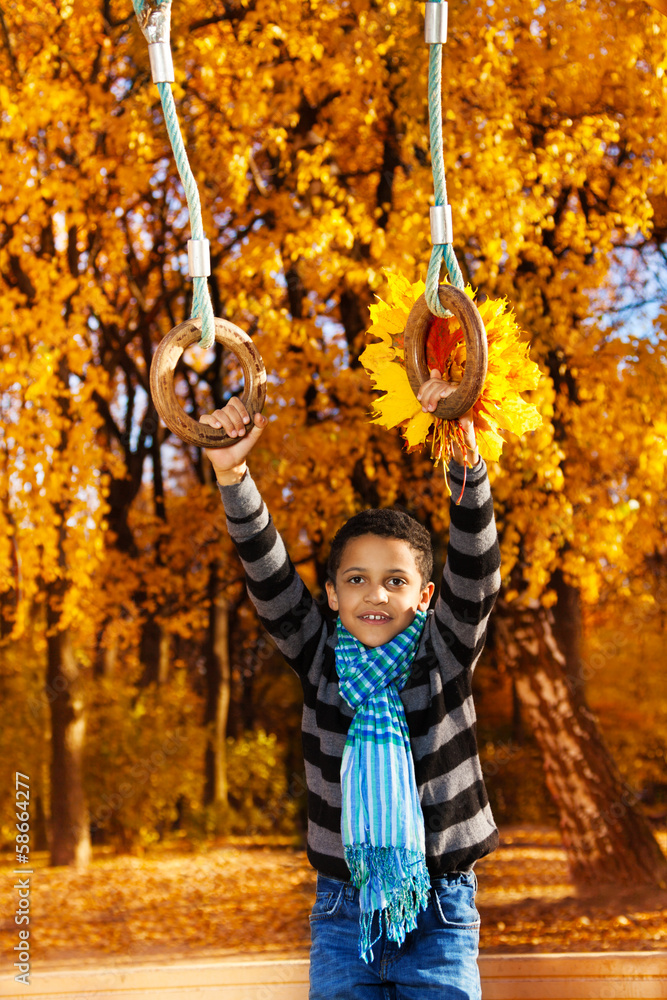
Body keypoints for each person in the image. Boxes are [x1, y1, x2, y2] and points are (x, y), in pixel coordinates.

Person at [201, 368, 501, 1000]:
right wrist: (233, 475)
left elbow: (474, 570)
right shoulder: (319, 662)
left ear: (423, 596)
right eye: (357, 580)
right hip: (341, 914)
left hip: (441, 912)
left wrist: (467, 462)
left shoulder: (443, 656)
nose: (375, 594)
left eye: (395, 581)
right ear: (332, 594)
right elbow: (269, 574)